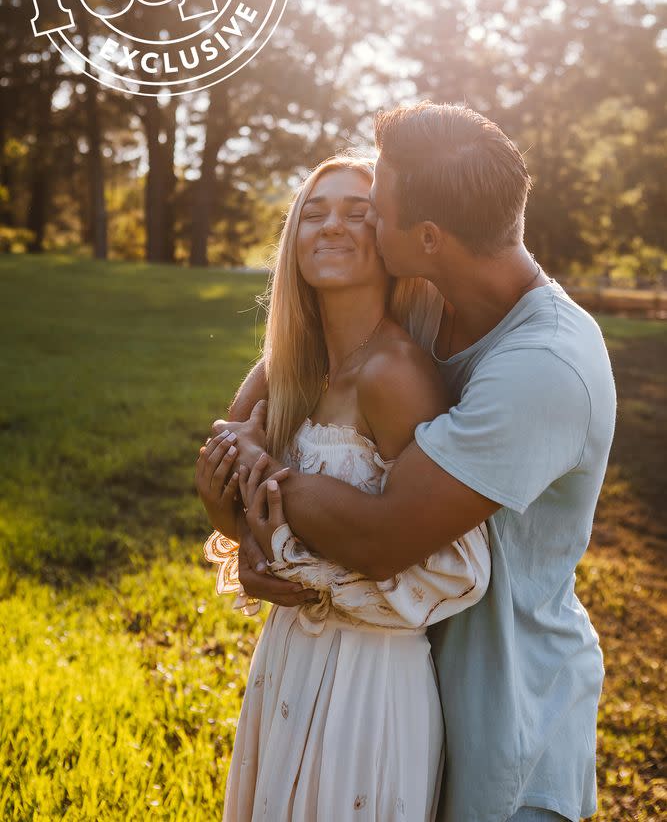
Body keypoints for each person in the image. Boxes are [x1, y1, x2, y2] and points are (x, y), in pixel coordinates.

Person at [202, 102, 617, 822]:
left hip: (502, 718)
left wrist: (265, 481)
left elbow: (382, 535)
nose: (355, 226)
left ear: (423, 238)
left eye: (373, 213)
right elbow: (280, 389)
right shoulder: (430, 309)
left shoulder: (543, 367)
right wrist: (238, 513)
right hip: (379, 667)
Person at [197, 152, 491, 821]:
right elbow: (222, 497)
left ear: (389, 243)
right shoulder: (283, 370)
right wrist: (249, 547)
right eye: (314, 211)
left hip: (368, 677)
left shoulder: (395, 373)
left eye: (359, 214)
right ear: (292, 237)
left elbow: (457, 566)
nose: (332, 227)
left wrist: (296, 559)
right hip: (286, 658)